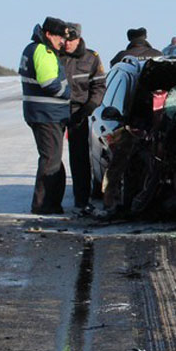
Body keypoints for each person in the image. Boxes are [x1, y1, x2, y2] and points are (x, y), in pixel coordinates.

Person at [19, 17, 71, 215]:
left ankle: (50, 203)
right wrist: (67, 93)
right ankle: (43, 205)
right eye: (59, 37)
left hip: (44, 114)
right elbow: (50, 84)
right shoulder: (42, 51)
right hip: (47, 114)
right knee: (50, 160)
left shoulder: (33, 49)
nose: (62, 41)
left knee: (52, 159)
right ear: (48, 34)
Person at [60, 22, 106, 214]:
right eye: (65, 40)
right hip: (57, 111)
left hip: (79, 111)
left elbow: (99, 87)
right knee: (52, 157)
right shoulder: (54, 55)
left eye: (71, 40)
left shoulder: (91, 58)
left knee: (79, 158)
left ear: (78, 39)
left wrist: (89, 107)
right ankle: (50, 199)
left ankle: (81, 199)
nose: (67, 44)